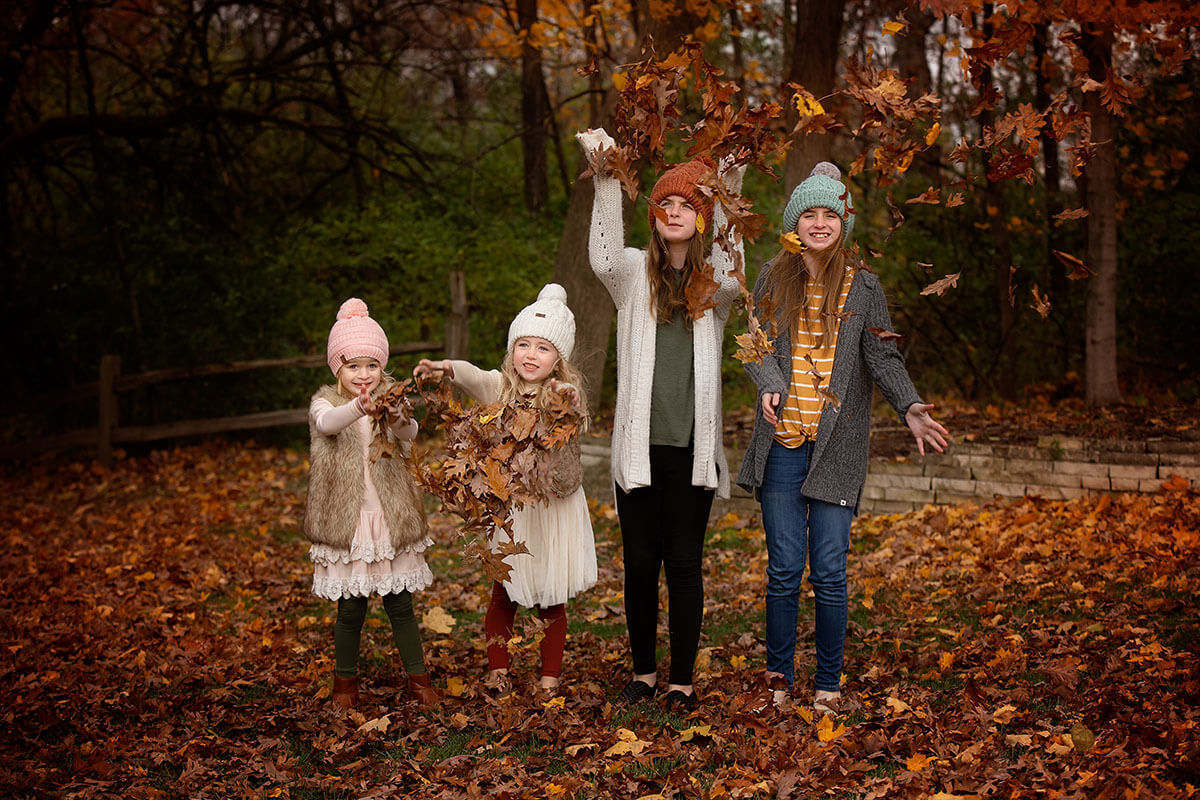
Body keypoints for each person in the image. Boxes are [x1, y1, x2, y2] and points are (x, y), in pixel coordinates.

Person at [736, 163, 948, 714]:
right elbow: (754, 344)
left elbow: (881, 354)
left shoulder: (864, 286)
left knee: (829, 570)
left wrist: (909, 407)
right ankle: (777, 678)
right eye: (810, 212)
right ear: (795, 222)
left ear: (842, 224)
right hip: (783, 443)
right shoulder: (770, 278)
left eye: (831, 213)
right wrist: (768, 384)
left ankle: (828, 684)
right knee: (783, 569)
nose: (821, 222)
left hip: (838, 448)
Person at [576, 128, 744, 712]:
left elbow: (732, 255)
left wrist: (727, 188)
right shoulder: (630, 278)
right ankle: (644, 672)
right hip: (638, 450)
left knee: (684, 564)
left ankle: (682, 680)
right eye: (665, 205)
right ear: (653, 217)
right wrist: (604, 177)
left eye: (686, 206)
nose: (674, 212)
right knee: (642, 565)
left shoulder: (715, 289)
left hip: (692, 450)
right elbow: (599, 254)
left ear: (701, 219)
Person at [413, 284, 597, 695]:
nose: (531, 355)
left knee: (551, 595)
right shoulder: (501, 389)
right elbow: (475, 376)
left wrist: (564, 399)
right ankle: (498, 667)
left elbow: (572, 406)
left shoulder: (561, 394)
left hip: (552, 510)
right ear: (513, 349)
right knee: (504, 588)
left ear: (559, 360)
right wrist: (446, 368)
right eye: (524, 345)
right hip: (513, 509)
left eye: (543, 348)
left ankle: (550, 676)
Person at [304, 297, 439, 709]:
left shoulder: (390, 398)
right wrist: (357, 407)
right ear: (337, 369)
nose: (363, 375)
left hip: (390, 518)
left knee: (401, 605)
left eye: (372, 366)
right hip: (350, 523)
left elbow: (410, 433)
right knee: (351, 609)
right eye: (353, 366)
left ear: (382, 367)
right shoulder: (326, 402)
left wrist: (395, 415)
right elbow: (327, 424)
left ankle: (419, 679)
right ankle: (345, 685)